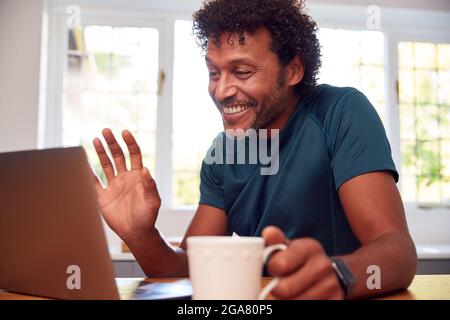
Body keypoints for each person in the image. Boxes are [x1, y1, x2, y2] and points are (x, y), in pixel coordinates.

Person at [91, 0, 416, 300]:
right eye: (214, 72)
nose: (221, 91)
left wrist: (338, 276)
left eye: (242, 72)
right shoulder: (223, 154)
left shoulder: (340, 112)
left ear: (293, 70)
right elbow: (188, 269)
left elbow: (396, 251)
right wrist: (140, 235)